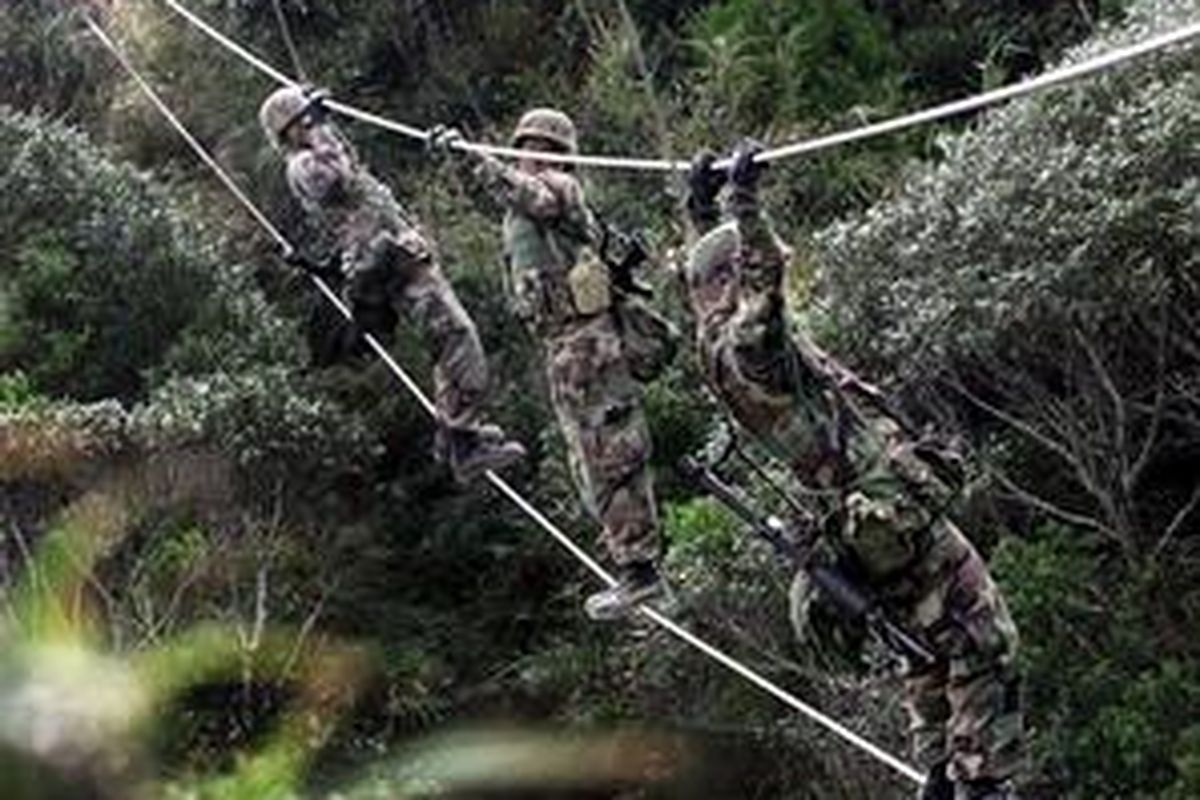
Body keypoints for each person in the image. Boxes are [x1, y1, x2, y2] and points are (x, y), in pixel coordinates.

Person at [681, 142, 1024, 800]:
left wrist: (702, 211)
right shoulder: (755, 353)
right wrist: (746, 209)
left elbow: (716, 278)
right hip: (881, 509)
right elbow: (758, 288)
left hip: (860, 525)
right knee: (983, 635)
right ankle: (981, 783)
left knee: (926, 641)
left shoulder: (715, 344)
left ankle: (940, 775)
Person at [431, 109, 666, 620]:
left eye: (540, 147)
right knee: (587, 462)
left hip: (590, 344)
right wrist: (458, 160)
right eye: (525, 146)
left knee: (612, 454)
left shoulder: (560, 189)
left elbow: (527, 192)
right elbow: (499, 193)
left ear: (559, 153)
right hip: (563, 347)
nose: (530, 155)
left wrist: (478, 160)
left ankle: (643, 571)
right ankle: (632, 568)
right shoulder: (517, 207)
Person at [258, 85, 525, 483]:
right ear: (289, 132)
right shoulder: (303, 165)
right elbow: (337, 181)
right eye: (302, 121)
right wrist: (323, 131)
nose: (311, 124)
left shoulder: (319, 150)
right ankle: (463, 440)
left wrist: (325, 126)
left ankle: (455, 436)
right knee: (459, 338)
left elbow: (353, 177)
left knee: (446, 342)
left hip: (399, 256)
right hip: (388, 263)